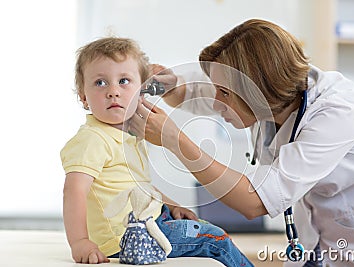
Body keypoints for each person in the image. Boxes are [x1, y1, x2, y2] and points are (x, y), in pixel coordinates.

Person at [131, 19, 354, 267]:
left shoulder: (338, 114)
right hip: (317, 245)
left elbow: (254, 203)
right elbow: (195, 93)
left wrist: (174, 140)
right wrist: (172, 87)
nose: (216, 102)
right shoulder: (273, 98)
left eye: (224, 92)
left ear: (260, 89)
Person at [60, 37, 254, 267]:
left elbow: (139, 186)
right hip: (127, 235)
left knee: (204, 229)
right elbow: (73, 192)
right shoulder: (92, 139)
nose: (113, 91)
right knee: (217, 239)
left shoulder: (128, 136)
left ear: (141, 93)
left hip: (150, 219)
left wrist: (171, 205)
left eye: (124, 81)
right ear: (83, 97)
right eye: (100, 83)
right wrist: (80, 241)